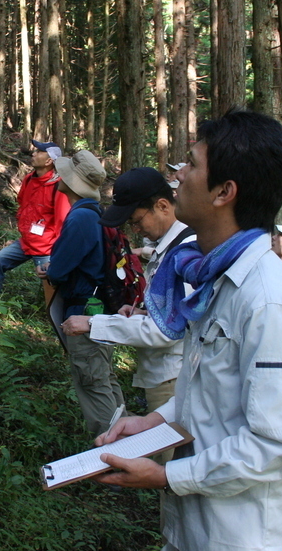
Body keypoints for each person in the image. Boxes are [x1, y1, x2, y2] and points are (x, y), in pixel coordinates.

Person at [94, 109, 282, 551]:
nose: (179, 175)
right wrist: (152, 421)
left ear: (225, 191)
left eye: (193, 164)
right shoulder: (214, 281)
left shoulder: (271, 304)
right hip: (197, 527)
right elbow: (214, 398)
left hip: (245, 535)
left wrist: (167, 475)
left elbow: (277, 445)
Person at [61, 167, 193, 415]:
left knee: (169, 454)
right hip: (164, 375)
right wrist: (144, 313)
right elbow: (180, 317)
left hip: (174, 378)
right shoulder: (169, 248)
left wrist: (95, 324)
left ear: (163, 206)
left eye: (137, 220)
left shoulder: (184, 254)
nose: (136, 230)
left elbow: (167, 332)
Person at [37, 149, 124, 436]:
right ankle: (127, 447)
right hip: (100, 309)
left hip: (84, 314)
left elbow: (60, 271)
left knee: (93, 384)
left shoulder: (80, 219)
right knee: (104, 379)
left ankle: (112, 462)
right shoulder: (95, 214)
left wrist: (50, 269)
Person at [0, 140, 70, 297]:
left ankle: (54, 317)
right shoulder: (29, 179)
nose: (33, 153)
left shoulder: (59, 186)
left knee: (51, 290)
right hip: (26, 242)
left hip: (47, 248)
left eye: (39, 152)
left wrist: (58, 253)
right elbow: (22, 203)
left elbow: (62, 221)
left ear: (49, 161)